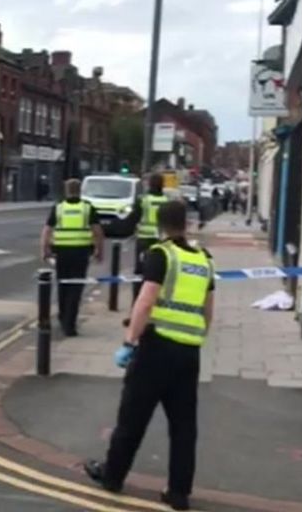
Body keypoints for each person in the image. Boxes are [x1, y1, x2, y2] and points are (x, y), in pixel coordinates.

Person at [84, 200, 215, 512]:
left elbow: (145, 301)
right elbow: (209, 310)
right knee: (184, 427)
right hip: (188, 352)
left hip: (156, 349)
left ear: (160, 224)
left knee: (132, 416)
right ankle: (179, 493)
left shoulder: (161, 255)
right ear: (186, 222)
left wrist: (130, 343)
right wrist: (195, 337)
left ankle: (112, 477)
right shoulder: (204, 260)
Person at [41, 179, 105, 336]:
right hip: (81, 253)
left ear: (66, 190)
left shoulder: (58, 208)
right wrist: (99, 250)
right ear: (80, 190)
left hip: (62, 253)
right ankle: (70, 324)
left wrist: (45, 250)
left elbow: (47, 231)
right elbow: (98, 232)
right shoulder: (87, 208)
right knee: (76, 288)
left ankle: (63, 318)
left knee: (63, 286)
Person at [124, 173, 170, 303]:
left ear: (149, 184)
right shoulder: (166, 202)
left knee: (139, 275)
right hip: (161, 243)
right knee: (158, 277)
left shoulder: (143, 200)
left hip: (144, 241)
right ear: (162, 185)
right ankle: (154, 311)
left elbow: (132, 220)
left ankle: (137, 309)